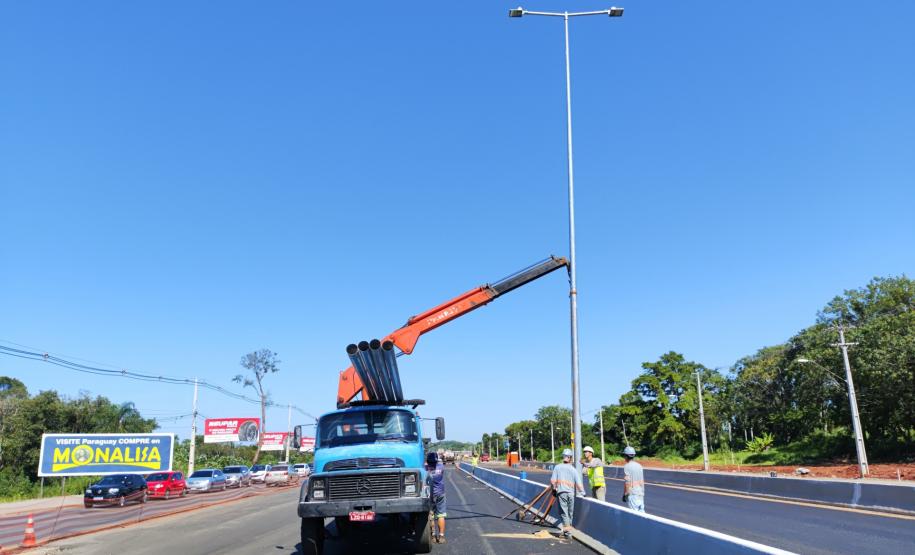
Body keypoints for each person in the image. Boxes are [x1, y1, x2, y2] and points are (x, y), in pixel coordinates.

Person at [550, 448, 584, 539]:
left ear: (563, 457)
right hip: (571, 494)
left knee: (564, 513)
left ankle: (568, 532)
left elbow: (553, 481)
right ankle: (567, 531)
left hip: (562, 493)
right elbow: (579, 483)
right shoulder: (573, 469)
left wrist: (554, 490)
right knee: (570, 513)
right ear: (570, 458)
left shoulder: (557, 467)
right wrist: (583, 492)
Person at [425, 452, 447, 543]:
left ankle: (433, 536)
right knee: (441, 515)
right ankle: (441, 537)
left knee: (431, 515)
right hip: (440, 494)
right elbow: (441, 463)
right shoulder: (441, 467)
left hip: (429, 495)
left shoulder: (425, 469)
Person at [621, 446, 645, 512]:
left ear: (626, 456)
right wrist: (642, 492)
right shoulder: (639, 466)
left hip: (633, 494)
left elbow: (627, 482)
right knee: (642, 515)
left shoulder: (627, 466)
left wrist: (625, 494)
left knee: (634, 515)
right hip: (640, 493)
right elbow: (642, 481)